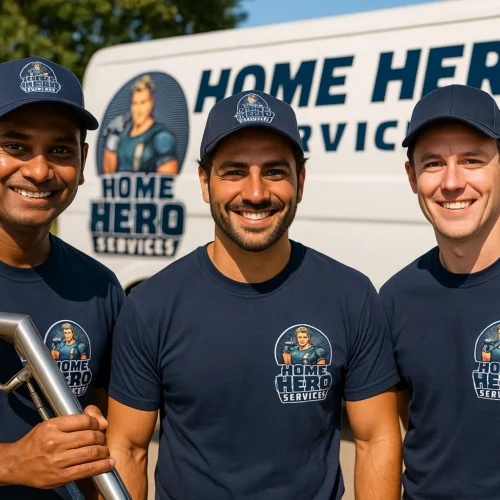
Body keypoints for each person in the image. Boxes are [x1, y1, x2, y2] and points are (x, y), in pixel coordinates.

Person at [106, 90, 402, 500]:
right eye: (234, 171)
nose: (257, 193)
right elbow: (128, 449)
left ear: (301, 182)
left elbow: (375, 439)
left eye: (276, 171)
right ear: (205, 183)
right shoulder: (151, 306)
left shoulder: (351, 296)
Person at [0, 57, 124, 500]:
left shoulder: (100, 288)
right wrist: (12, 462)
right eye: (14, 146)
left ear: (83, 160)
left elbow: (105, 451)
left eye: (59, 150)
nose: (38, 171)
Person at [380, 84, 500, 499]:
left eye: (472, 160)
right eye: (433, 163)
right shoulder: (393, 301)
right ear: (412, 177)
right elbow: (397, 431)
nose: (452, 182)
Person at [102, 75, 178, 175]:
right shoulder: (122, 133)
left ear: (151, 102)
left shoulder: (162, 137)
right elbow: (109, 175)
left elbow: (167, 183)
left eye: (143, 102)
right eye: (135, 103)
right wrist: (112, 137)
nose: (138, 110)